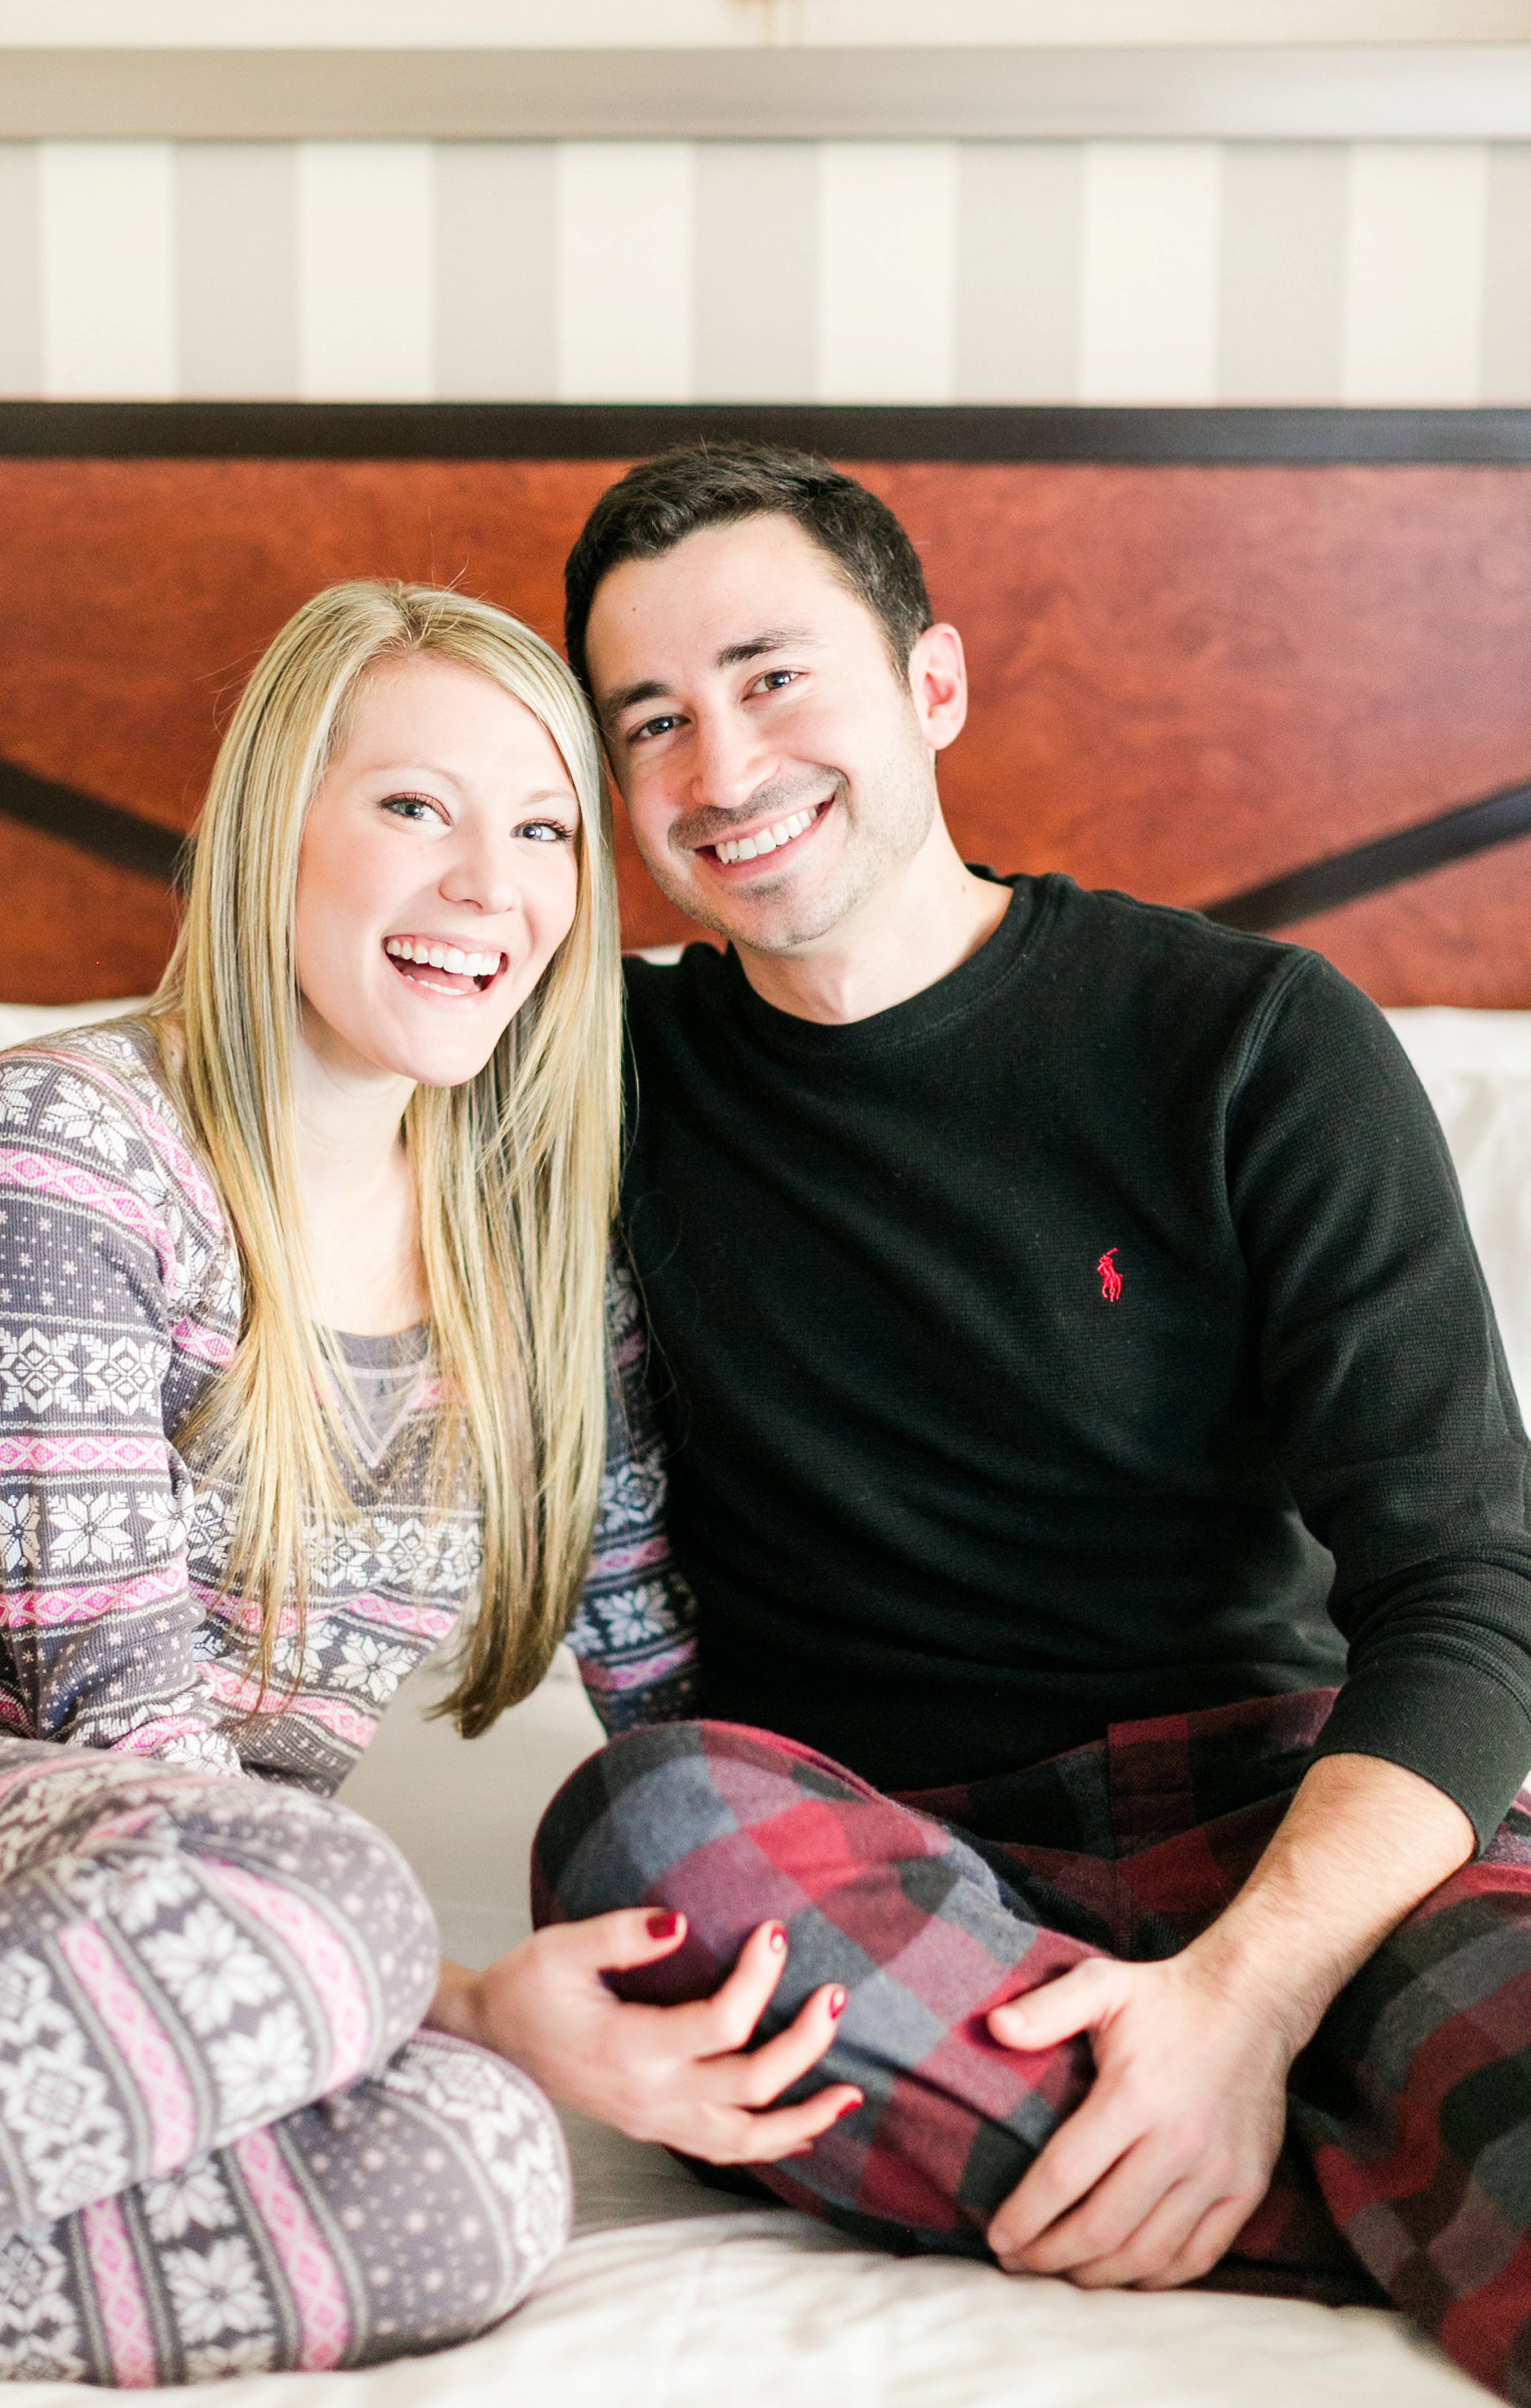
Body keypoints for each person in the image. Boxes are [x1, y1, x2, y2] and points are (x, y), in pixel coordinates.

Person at [0, 579, 854, 2388]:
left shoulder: (541, 1274)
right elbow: (139, 1753)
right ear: (276, 831)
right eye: (415, 804)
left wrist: (807, 1960)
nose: (491, 886)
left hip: (189, 1947)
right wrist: (480, 1995)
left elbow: (686, 1714)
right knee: (340, 1900)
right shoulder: (67, 1153)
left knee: (477, 2178)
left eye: (544, 828)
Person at [523, 443, 1531, 2406]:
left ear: (931, 686)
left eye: (772, 673)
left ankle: (1264, 2108)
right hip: (893, 1857)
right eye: (650, 718)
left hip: (1302, 1809)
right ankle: (1382, 2163)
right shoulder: (581, 1088)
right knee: (645, 1831)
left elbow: (1475, 1583)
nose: (721, 766)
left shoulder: (1245, 1037)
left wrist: (1244, 1998)